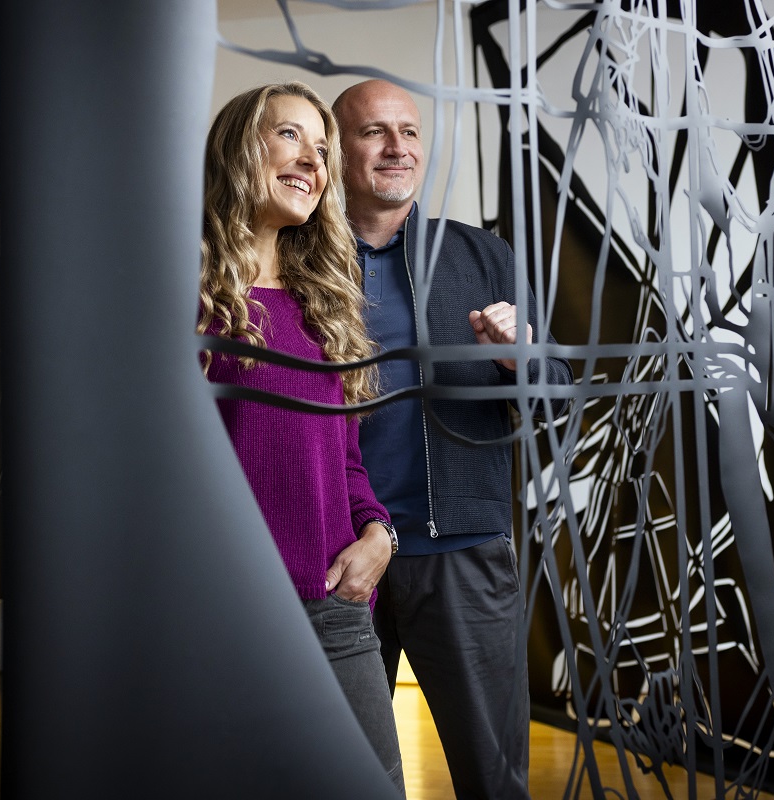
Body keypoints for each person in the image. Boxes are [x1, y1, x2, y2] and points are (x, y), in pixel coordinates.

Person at [332, 79, 574, 799]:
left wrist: (518, 357)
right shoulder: (297, 258)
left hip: (461, 552)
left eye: (408, 131)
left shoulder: (479, 254)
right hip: (337, 559)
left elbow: (557, 389)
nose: (397, 147)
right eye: (374, 132)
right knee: (338, 773)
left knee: (493, 779)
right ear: (337, 148)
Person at [198, 81, 406, 796]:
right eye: (290, 135)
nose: (313, 162)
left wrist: (378, 534)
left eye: (322, 148)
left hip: (333, 606)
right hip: (219, 612)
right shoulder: (184, 296)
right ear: (238, 150)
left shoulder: (324, 305)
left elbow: (342, 461)